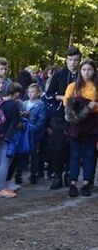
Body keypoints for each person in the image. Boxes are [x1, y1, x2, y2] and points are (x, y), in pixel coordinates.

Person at [45, 47, 82, 189]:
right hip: (59, 116)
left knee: (72, 147)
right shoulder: (59, 75)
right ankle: (57, 175)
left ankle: (69, 175)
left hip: (77, 117)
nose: (73, 63)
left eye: (76, 60)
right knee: (58, 146)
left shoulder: (82, 75)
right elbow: (48, 95)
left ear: (79, 60)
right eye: (70, 60)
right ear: (66, 60)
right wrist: (63, 98)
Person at [64, 58, 98, 196]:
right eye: (84, 69)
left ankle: (86, 183)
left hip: (93, 122)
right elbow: (67, 102)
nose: (86, 72)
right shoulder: (73, 86)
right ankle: (72, 183)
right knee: (75, 155)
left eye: (89, 69)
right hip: (76, 123)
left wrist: (93, 106)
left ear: (94, 71)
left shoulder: (96, 86)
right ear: (80, 71)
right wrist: (84, 105)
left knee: (89, 155)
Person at [0, 79, 22, 198]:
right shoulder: (13, 105)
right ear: (16, 93)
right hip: (8, 136)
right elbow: (16, 122)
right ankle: (2, 188)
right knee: (4, 162)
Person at [23, 83, 48, 184]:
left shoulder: (41, 105)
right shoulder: (24, 104)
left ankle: (34, 174)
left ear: (38, 93)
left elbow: (41, 121)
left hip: (35, 133)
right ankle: (19, 173)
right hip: (24, 132)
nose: (30, 94)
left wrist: (31, 128)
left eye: (32, 92)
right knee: (23, 153)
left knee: (34, 154)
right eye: (29, 92)